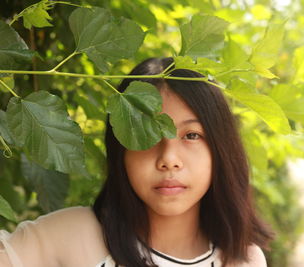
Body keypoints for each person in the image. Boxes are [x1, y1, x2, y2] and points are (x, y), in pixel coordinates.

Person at [0, 57, 273, 267]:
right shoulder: (66, 236)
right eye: (147, 134)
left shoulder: (244, 260)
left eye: (191, 135)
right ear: (120, 151)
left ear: (221, 149)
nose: (168, 159)